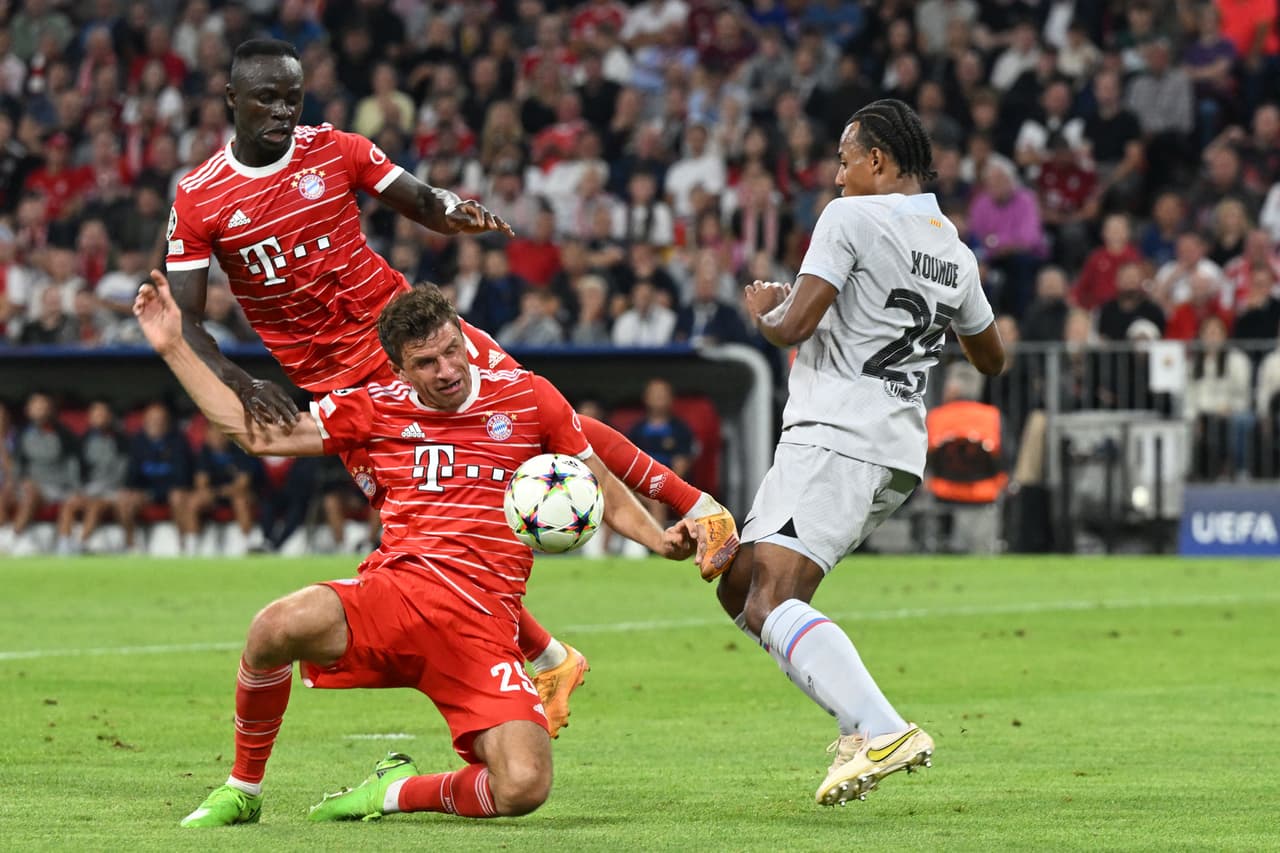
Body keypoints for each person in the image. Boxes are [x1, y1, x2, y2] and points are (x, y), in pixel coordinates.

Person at [163, 39, 738, 735]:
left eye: (293, 96)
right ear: (232, 99)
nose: (284, 111)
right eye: (267, 98)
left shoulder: (336, 149)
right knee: (429, 532)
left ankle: (697, 506)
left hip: (411, 338)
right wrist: (238, 376)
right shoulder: (200, 197)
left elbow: (418, 198)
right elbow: (187, 318)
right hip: (334, 378)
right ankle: (550, 657)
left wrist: (453, 210)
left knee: (536, 413)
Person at [131, 272, 700, 828]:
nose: (447, 370)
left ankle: (393, 792)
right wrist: (175, 347)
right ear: (400, 369)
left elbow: (597, 480)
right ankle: (243, 788)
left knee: (524, 786)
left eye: (453, 351)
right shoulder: (375, 407)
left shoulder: (528, 398)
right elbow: (255, 435)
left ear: (463, 338)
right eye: (426, 363)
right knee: (272, 629)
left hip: (483, 629)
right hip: (393, 599)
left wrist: (658, 538)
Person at [713, 99, 1004, 805]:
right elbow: (993, 358)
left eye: (845, 161)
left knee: (770, 601)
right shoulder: (954, 249)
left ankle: (879, 728)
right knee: (739, 582)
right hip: (894, 450)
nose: (838, 176)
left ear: (877, 159)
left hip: (835, 436)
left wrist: (766, 310)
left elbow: (792, 328)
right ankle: (858, 724)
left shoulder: (848, 218)